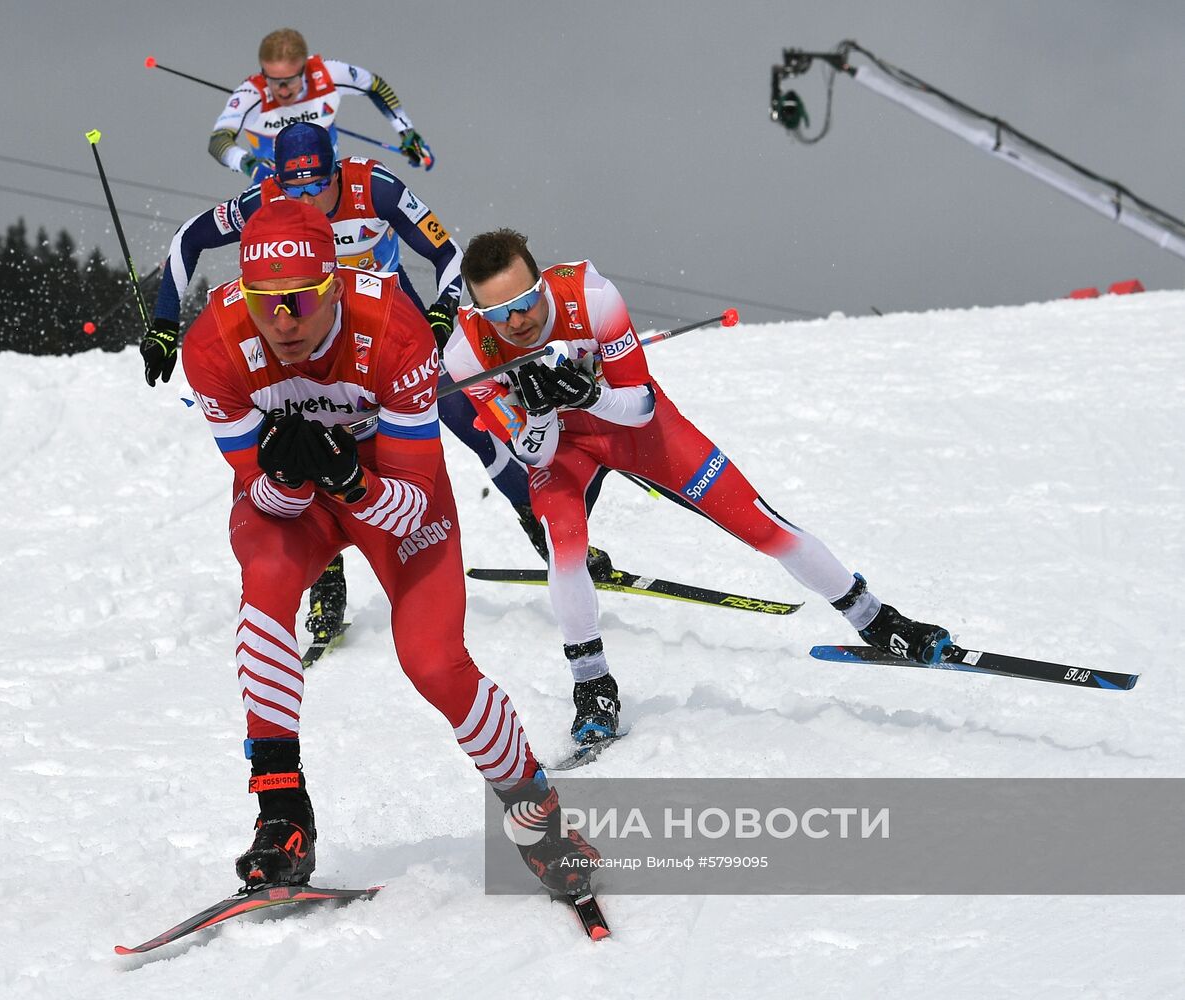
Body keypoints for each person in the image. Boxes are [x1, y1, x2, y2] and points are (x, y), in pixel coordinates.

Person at [178, 198, 597, 897]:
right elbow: (266, 503)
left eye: (301, 300)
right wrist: (283, 477)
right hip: (303, 496)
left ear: (334, 284)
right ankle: (282, 816)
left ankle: (538, 820)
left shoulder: (395, 330)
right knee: (265, 593)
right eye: (262, 301)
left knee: (433, 662)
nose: (282, 321)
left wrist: (349, 480)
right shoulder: (213, 346)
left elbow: (405, 509)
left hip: (388, 487)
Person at [443, 229, 954, 746]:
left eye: (526, 301)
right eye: (498, 312)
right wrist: (543, 410)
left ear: (541, 282)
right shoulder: (469, 352)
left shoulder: (590, 296)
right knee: (565, 550)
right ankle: (592, 685)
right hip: (565, 451)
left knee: (758, 523)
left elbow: (640, 406)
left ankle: (875, 619)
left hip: (635, 428)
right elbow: (536, 454)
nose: (516, 321)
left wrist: (588, 394)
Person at [145, 122, 604, 643]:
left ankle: (537, 519)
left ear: (335, 170)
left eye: (316, 185)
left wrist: (439, 314)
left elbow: (447, 254)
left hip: (390, 335)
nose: (306, 199)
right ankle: (326, 578)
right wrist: (163, 322)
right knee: (299, 442)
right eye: (292, 188)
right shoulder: (261, 201)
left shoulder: (374, 187)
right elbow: (189, 237)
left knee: (465, 417)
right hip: (307, 345)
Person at [209, 27, 433, 184]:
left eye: (289, 81)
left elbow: (375, 86)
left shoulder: (328, 75)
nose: (282, 90)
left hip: (328, 182)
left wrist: (406, 131)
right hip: (276, 186)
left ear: (304, 70)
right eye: (273, 80)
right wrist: (249, 165)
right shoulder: (251, 93)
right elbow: (218, 141)